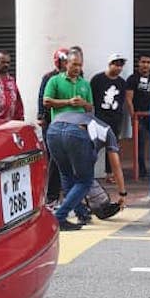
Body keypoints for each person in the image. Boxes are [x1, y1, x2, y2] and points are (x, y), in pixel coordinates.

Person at [42, 49, 95, 230]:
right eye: (74, 65)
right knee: (85, 179)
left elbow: (90, 108)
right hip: (63, 131)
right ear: (66, 64)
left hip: (73, 131)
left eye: (80, 65)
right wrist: (68, 103)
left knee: (67, 175)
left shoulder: (85, 84)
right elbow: (46, 101)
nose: (77, 68)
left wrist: (83, 104)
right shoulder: (54, 80)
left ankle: (80, 213)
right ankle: (61, 215)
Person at [38, 47, 70, 205]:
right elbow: (42, 97)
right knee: (53, 159)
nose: (67, 64)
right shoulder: (50, 77)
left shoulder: (76, 78)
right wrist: (41, 116)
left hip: (69, 122)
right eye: (64, 61)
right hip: (52, 122)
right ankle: (52, 196)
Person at [125, 53, 150, 178]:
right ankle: (141, 170)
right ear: (138, 63)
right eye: (143, 62)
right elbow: (128, 99)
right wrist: (133, 115)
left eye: (148, 62)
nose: (145, 65)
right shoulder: (132, 79)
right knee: (140, 143)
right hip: (139, 115)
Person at [91, 52, 127, 138]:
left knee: (112, 145)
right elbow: (91, 98)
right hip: (100, 118)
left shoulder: (122, 82)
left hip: (115, 120)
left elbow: (122, 101)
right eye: (116, 65)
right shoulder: (97, 79)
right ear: (110, 64)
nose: (119, 68)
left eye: (121, 66)